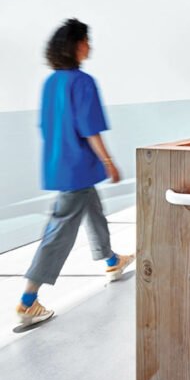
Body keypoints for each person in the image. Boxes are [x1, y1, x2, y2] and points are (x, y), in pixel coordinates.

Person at [15, 19, 134, 328]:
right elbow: (89, 128)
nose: (89, 46)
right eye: (86, 40)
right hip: (78, 167)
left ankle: (111, 261)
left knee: (93, 210)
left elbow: (46, 126)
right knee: (59, 233)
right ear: (75, 45)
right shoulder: (82, 82)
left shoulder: (51, 83)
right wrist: (109, 162)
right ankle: (28, 300)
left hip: (61, 164)